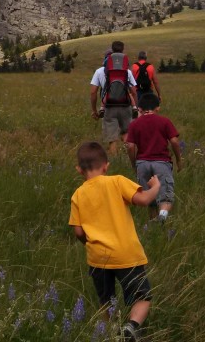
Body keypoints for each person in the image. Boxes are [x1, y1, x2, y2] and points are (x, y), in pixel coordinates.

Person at [69, 141, 160, 342]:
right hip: (126, 254)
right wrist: (155, 187)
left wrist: (88, 243)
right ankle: (131, 327)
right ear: (106, 166)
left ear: (79, 170)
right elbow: (144, 200)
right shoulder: (117, 181)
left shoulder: (78, 195)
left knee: (107, 301)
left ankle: (112, 334)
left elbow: (77, 231)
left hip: (97, 258)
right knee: (142, 297)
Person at [124, 92, 182, 222]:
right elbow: (174, 141)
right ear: (158, 108)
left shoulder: (134, 124)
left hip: (142, 164)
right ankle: (162, 217)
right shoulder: (164, 121)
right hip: (162, 163)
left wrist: (135, 164)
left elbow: (130, 146)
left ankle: (153, 226)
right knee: (165, 196)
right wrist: (178, 160)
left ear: (139, 109)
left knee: (149, 198)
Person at [90, 41, 139, 156]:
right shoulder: (127, 71)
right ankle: (131, 159)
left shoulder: (99, 71)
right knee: (127, 134)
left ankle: (116, 163)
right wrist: (134, 106)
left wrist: (94, 110)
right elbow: (134, 91)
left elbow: (93, 92)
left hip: (109, 106)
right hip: (125, 104)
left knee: (112, 139)